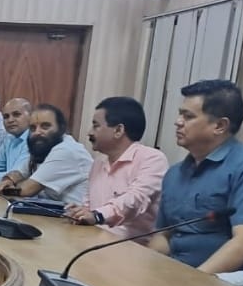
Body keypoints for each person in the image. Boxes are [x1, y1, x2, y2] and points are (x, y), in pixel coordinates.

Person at [149, 80, 243, 274]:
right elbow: (163, 236)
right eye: (180, 114)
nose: (178, 122)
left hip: (229, 285)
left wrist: (191, 282)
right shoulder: (175, 173)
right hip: (177, 274)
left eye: (188, 116)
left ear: (220, 126)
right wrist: (149, 270)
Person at [64, 97, 168, 239]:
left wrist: (97, 216)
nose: (89, 132)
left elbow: (135, 200)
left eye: (96, 126)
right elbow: (89, 207)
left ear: (118, 130)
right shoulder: (98, 163)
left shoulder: (152, 159)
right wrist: (79, 213)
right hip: (93, 240)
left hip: (132, 247)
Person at [0, 104, 92, 205]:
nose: (37, 132)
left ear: (61, 128)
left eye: (45, 127)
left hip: (77, 213)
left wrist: (7, 189)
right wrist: (8, 180)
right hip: (53, 211)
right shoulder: (44, 147)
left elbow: (27, 190)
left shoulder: (66, 150)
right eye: (33, 128)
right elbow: (19, 172)